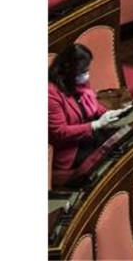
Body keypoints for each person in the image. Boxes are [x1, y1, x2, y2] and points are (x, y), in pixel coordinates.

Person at [48, 44, 128, 174]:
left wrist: (111, 112)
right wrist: (95, 125)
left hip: (89, 135)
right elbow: (59, 132)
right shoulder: (50, 94)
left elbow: (92, 105)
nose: (87, 75)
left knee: (126, 136)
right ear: (69, 70)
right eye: (84, 71)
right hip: (71, 150)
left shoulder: (78, 81)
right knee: (113, 162)